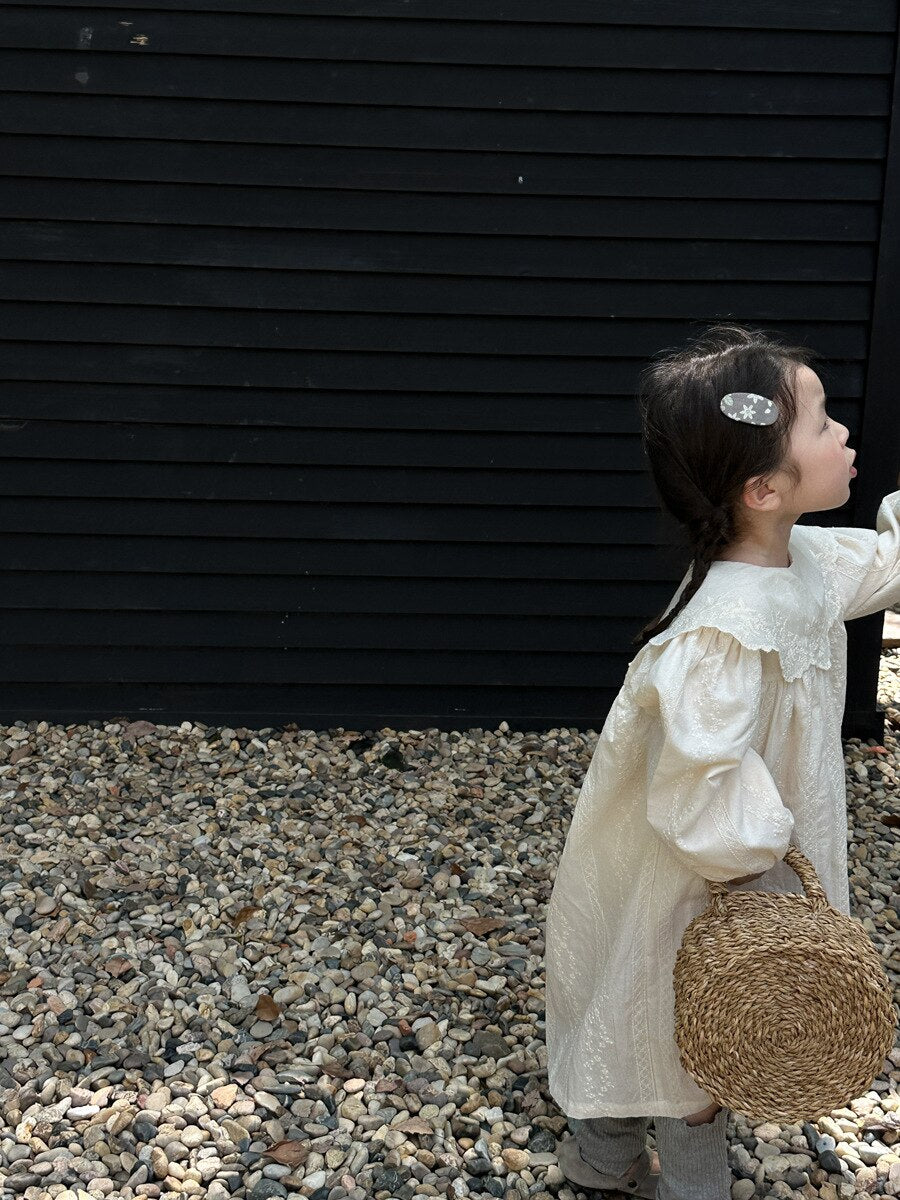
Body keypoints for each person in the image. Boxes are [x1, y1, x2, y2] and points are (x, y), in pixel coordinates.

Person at [543, 322, 900, 1200]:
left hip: (754, 851)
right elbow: (702, 781)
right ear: (765, 487)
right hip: (707, 867)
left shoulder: (805, 562)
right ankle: (682, 1182)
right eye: (822, 425)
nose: (845, 436)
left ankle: (601, 1152)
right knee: (697, 1019)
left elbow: (887, 566)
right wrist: (758, 867)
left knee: (655, 1005)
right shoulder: (723, 633)